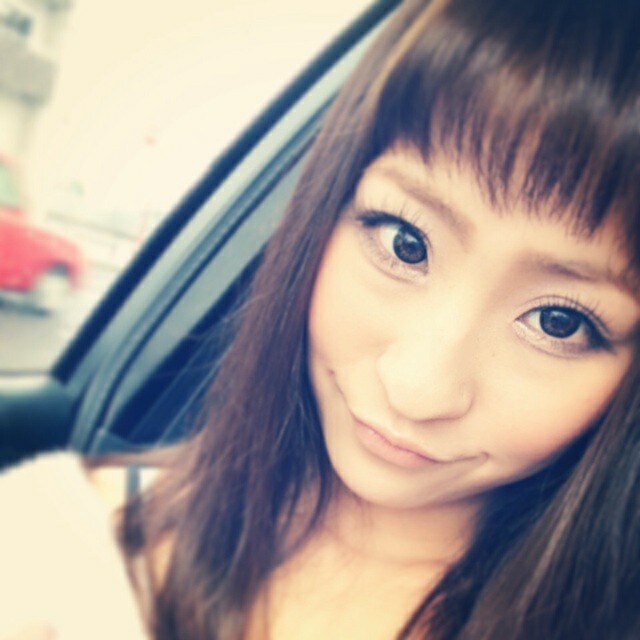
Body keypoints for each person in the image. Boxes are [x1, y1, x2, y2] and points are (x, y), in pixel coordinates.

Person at [3, 0, 640, 638]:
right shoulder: (62, 540)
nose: (417, 389)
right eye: (405, 244)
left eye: (558, 322)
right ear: (325, 211)